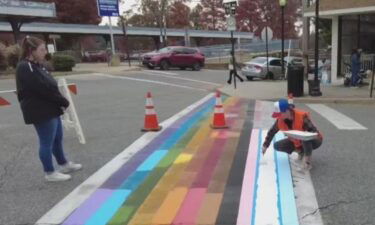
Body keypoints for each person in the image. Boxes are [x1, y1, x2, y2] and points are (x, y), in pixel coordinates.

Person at [16, 36, 82, 182]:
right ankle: (49, 172)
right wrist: (62, 100)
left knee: (57, 138)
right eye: (42, 49)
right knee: (46, 141)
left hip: (51, 108)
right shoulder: (25, 67)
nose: (45, 52)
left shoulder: (39, 65)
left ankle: (63, 164)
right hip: (40, 111)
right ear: (30, 50)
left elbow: (50, 85)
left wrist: (60, 101)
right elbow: (42, 89)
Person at [262, 99, 323, 170]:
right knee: (277, 146)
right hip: (297, 141)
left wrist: (304, 134)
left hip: (314, 140)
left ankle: (307, 162)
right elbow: (272, 132)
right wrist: (265, 146)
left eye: (279, 114)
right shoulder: (280, 120)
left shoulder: (301, 117)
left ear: (287, 111)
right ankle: (301, 152)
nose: (278, 117)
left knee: (305, 137)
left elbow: (313, 132)